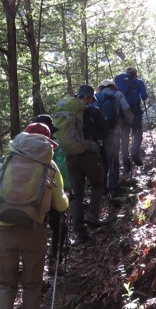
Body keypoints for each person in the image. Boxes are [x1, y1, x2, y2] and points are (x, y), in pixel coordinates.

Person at [0, 123, 69, 309]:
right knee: (32, 286)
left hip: (4, 231)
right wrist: (66, 199)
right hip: (34, 230)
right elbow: (60, 205)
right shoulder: (48, 166)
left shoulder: (7, 161)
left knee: (5, 285)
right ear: (47, 142)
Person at [57, 84, 109, 243]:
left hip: (70, 157)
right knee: (99, 184)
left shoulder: (68, 111)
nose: (93, 101)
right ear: (88, 97)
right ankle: (92, 214)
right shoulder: (93, 111)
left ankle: (79, 230)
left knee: (76, 194)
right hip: (89, 154)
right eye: (92, 98)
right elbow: (105, 131)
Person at [30, 114, 69, 274]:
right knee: (59, 226)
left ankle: (30, 268)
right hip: (49, 196)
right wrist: (67, 191)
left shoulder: (18, 151)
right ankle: (55, 261)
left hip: (22, 201)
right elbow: (62, 171)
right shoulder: (54, 148)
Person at [95, 79, 133, 199]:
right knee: (113, 160)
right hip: (113, 133)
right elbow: (126, 109)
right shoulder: (118, 95)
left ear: (101, 87)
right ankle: (113, 188)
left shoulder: (95, 97)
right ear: (113, 86)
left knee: (102, 162)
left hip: (98, 136)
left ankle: (103, 188)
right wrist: (130, 120)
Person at [114, 66, 149, 171]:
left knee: (124, 139)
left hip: (123, 114)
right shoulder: (139, 82)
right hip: (135, 113)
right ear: (135, 73)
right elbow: (144, 96)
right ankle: (134, 152)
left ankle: (126, 165)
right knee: (137, 133)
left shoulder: (120, 83)